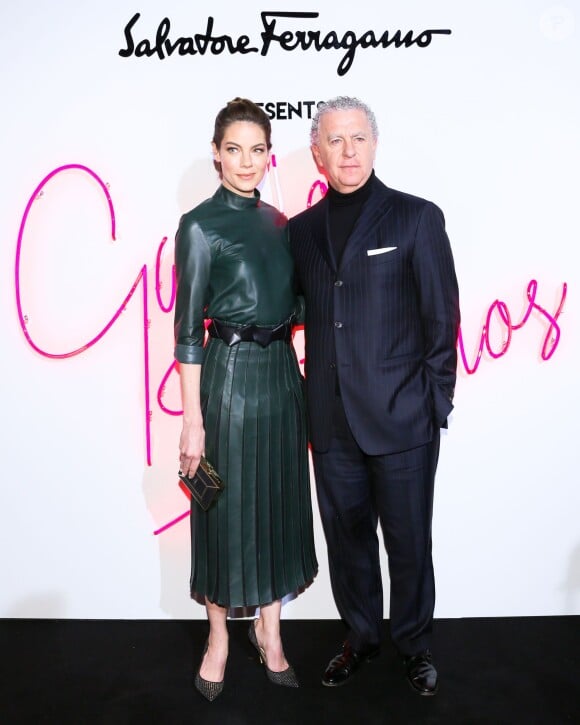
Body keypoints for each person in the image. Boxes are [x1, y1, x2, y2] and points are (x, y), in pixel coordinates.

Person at [289, 96, 460, 695]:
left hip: (403, 420)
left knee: (410, 544)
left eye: (357, 137)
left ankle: (414, 644)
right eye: (334, 140)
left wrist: (435, 400)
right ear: (317, 153)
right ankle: (360, 637)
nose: (348, 150)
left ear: (375, 143)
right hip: (332, 422)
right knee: (348, 542)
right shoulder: (302, 232)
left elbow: (443, 318)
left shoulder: (416, 217)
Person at [174, 97, 317, 701]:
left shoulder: (284, 224)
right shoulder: (199, 225)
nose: (246, 161)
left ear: (269, 154)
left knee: (279, 501)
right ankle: (219, 639)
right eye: (233, 149)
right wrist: (192, 422)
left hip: (283, 376)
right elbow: (186, 331)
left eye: (256, 149)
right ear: (215, 153)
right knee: (222, 510)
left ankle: (270, 630)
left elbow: (303, 303)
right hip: (227, 377)